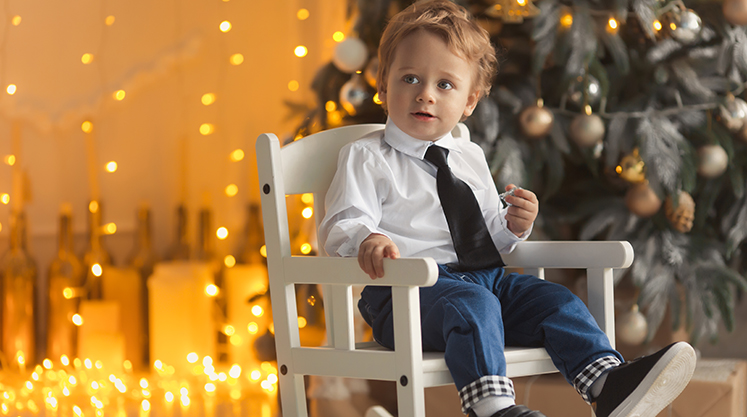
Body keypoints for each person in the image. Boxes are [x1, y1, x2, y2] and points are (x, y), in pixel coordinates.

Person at [318, 1, 696, 416]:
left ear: (470, 101)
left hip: (484, 281)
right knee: (472, 305)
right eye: (410, 78)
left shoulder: (469, 156)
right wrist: (367, 238)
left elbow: (488, 239)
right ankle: (495, 409)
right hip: (406, 296)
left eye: (445, 85)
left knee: (554, 300)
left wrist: (513, 226)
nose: (425, 93)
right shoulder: (368, 157)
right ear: (383, 87)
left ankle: (608, 383)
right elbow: (343, 222)